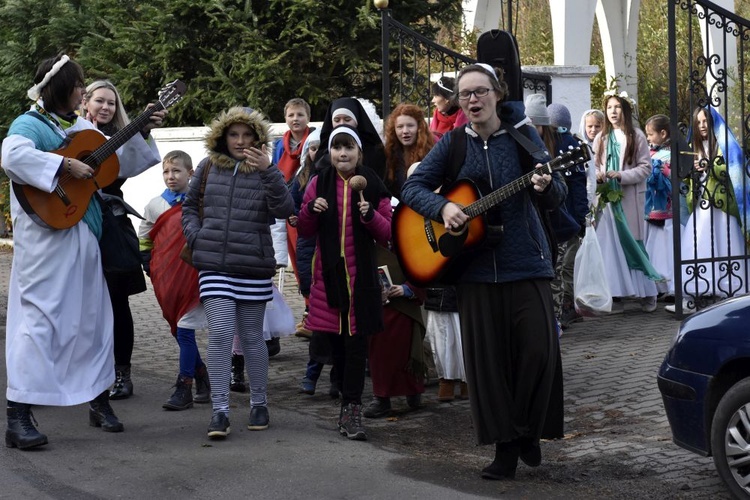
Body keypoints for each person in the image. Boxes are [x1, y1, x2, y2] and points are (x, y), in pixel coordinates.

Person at [400, 63, 565, 480]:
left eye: (480, 91)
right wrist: (444, 207)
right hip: (474, 270)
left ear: (497, 93)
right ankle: (505, 449)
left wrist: (547, 186)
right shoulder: (453, 144)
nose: (472, 99)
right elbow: (411, 188)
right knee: (488, 365)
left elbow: (557, 195)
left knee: (538, 353)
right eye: (465, 94)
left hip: (527, 262)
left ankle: (528, 429)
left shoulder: (523, 138)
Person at [2, 54, 164, 448]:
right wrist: (63, 168)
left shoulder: (80, 126)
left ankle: (98, 400)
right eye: (78, 86)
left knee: (93, 320)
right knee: (38, 323)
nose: (83, 92)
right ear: (60, 87)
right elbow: (12, 156)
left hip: (85, 233)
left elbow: (117, 161)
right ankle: (18, 415)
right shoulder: (30, 123)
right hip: (45, 240)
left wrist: (141, 129)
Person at [182, 106, 294, 438]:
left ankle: (259, 403)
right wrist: (196, 236)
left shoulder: (266, 170)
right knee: (218, 335)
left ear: (258, 139)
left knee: (251, 338)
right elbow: (189, 206)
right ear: (223, 136)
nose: (240, 141)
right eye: (234, 134)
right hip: (214, 264)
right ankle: (220, 411)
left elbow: (285, 209)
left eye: (247, 135)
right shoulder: (206, 167)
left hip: (253, 267)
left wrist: (269, 171)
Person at [297, 125, 392, 441]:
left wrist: (369, 216)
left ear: (359, 153)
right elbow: (306, 228)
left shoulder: (373, 185)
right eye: (337, 147)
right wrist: (311, 209)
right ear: (330, 153)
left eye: (348, 147)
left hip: (362, 282)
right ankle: (342, 395)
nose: (343, 153)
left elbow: (387, 233)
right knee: (336, 346)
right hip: (329, 279)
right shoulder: (317, 183)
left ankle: (352, 407)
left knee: (356, 347)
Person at [82, 79, 162, 400]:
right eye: (99, 100)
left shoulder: (121, 139)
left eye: (112, 103)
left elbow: (133, 161)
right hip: (74, 222)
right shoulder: (69, 135)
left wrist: (142, 129)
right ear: (85, 102)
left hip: (110, 226)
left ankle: (122, 374)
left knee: (117, 301)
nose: (105, 107)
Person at [138, 150, 210, 411]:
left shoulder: (201, 202)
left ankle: (185, 386)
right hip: (165, 277)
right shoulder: (155, 205)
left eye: (176, 171)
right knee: (177, 327)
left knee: (184, 328)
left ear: (190, 173)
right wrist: (148, 262)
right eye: (166, 171)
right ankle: (202, 374)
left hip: (193, 276)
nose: (171, 176)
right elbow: (145, 236)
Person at [667, 107, 749, 312]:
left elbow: (733, 164)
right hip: (700, 201)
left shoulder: (724, 144)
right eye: (699, 122)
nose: (702, 125)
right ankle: (696, 292)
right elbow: (683, 170)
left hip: (721, 203)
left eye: (706, 121)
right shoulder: (693, 145)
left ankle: (729, 290)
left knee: (724, 243)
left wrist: (709, 164)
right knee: (698, 242)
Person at [594, 90, 661, 313]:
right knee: (612, 247)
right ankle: (618, 294)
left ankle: (648, 293)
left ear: (626, 109)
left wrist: (622, 175)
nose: (613, 112)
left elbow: (645, 167)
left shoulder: (637, 136)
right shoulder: (601, 138)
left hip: (629, 199)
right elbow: (594, 165)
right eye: (609, 107)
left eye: (617, 107)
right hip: (608, 201)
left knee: (633, 244)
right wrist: (599, 175)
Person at [547, 102, 590, 328]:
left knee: (566, 265)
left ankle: (567, 307)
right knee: (560, 265)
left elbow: (577, 185)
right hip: (559, 217)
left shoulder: (569, 146)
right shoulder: (547, 145)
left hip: (569, 217)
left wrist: (581, 217)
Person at [643, 115, 675, 298]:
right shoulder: (650, 152)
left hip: (666, 209)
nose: (648, 138)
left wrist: (665, 172)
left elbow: (676, 177)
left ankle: (670, 283)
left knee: (666, 247)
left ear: (663, 133)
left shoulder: (671, 153)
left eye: (651, 134)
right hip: (652, 208)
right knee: (654, 247)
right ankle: (658, 284)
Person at [316, 97, 386, 179]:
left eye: (347, 119)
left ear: (357, 121)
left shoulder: (375, 153)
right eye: (337, 120)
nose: (342, 124)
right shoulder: (322, 155)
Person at [383, 103, 435, 200]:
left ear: (419, 128)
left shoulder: (431, 153)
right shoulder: (389, 154)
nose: (405, 131)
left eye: (410, 125)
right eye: (400, 127)